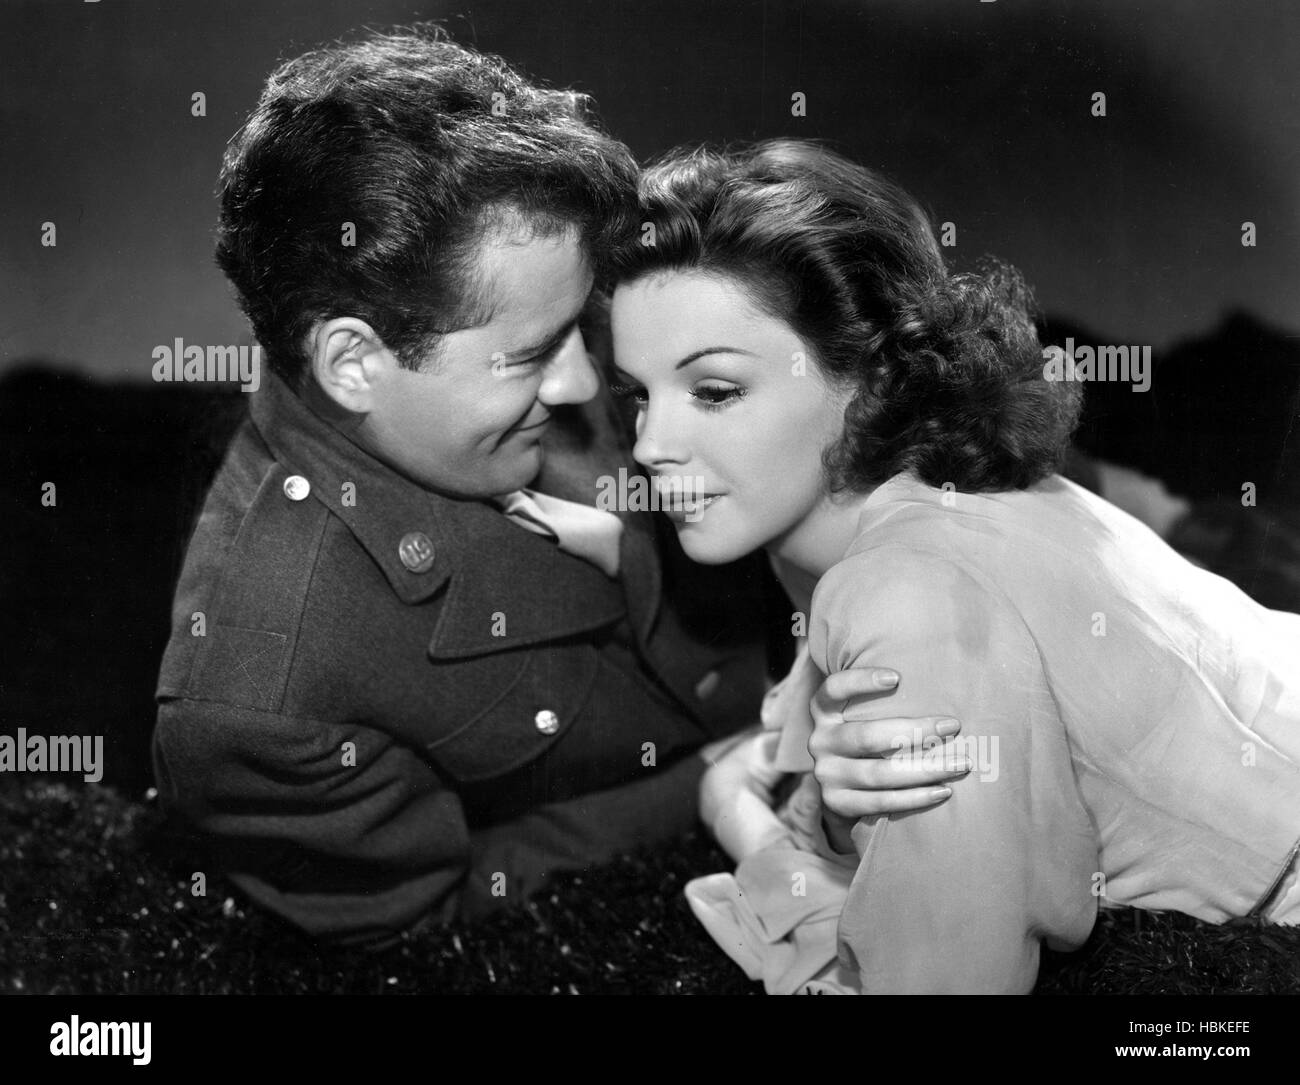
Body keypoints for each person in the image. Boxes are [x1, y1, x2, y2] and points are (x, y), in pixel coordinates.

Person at [150, 30, 965, 950]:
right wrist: (728, 785)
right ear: (353, 363)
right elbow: (440, 914)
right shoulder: (258, 708)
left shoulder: (525, 297)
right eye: (533, 355)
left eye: (581, 323)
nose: (588, 383)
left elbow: (848, 404)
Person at [606, 139, 1300, 993]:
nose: (649, 445)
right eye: (638, 394)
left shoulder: (905, 586)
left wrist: (731, 813)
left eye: (714, 391)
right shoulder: (911, 508)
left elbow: (940, 974)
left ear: (868, 376)